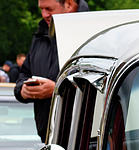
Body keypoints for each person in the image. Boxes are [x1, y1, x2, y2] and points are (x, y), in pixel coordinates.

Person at [14, 0, 89, 141]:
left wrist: (58, 89)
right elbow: (23, 74)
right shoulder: (40, 36)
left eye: (48, 9)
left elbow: (100, 85)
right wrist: (22, 90)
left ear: (69, 4)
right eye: (41, 9)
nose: (44, 15)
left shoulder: (92, 34)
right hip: (48, 138)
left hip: (85, 142)